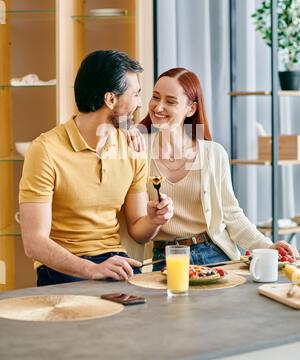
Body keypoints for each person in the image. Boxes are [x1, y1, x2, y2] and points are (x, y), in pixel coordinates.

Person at [19, 50, 173, 286]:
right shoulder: (45, 150)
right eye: (136, 94)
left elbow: (137, 230)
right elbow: (34, 242)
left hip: (113, 260)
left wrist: (153, 220)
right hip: (62, 267)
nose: (141, 104)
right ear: (110, 100)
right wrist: (91, 269)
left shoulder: (132, 149)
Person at [130, 67, 297, 270]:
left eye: (171, 101)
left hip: (213, 254)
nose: (158, 107)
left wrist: (267, 246)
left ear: (191, 109)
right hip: (165, 258)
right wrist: (126, 129)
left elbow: (232, 215)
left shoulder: (214, 154)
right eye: (155, 97)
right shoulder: (137, 148)